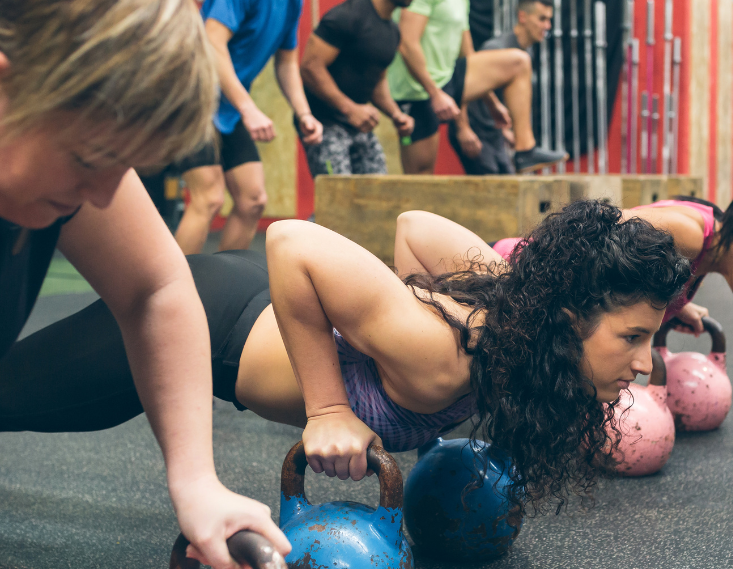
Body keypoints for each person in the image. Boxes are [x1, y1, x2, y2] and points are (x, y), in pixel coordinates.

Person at [1, 201, 690, 510]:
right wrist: (329, 405)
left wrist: (512, 290)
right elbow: (292, 241)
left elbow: (415, 228)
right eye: (631, 337)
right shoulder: (442, 356)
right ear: (568, 324)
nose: (642, 364)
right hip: (212, 324)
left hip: (244, 297)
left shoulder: (518, 327)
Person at [0, 0, 289, 569]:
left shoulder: (60, 166)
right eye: (91, 160)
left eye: (124, 166)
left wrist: (195, 480)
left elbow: (157, 288)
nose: (105, 196)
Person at [493, 165, 733, 333]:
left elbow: (630, 270)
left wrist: (676, 303)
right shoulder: (691, 236)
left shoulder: (708, 247)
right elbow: (587, 231)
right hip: (513, 274)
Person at [173, 0, 328, 255]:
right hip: (193, 99)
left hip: (227, 107)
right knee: (208, 198)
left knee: (252, 200)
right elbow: (213, 43)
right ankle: (173, 296)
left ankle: (220, 287)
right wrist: (249, 109)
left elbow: (287, 62)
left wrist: (304, 114)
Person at [386, 0, 568, 175]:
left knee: (518, 62)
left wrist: (492, 103)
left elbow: (469, 56)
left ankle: (525, 150)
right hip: (418, 91)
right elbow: (407, 43)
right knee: (420, 177)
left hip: (447, 81)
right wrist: (436, 94)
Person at [298, 0, 421, 177]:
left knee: (376, 196)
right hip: (324, 122)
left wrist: (396, 115)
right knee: (338, 201)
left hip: (357, 124)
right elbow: (309, 67)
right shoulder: (347, 16)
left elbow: (377, 81)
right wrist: (349, 108)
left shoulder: (392, 31)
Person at [449, 0, 554, 175]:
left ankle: (525, 150)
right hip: (474, 130)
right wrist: (463, 128)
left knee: (509, 182)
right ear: (523, 17)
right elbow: (463, 85)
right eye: (542, 19)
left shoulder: (525, 53)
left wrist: (506, 131)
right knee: (490, 190)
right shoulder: (497, 48)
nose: (548, 25)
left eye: (549, 20)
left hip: (494, 133)